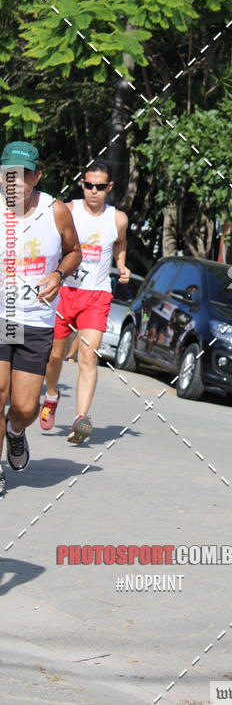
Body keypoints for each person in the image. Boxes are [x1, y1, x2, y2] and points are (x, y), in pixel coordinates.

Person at [0, 141, 81, 496]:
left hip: (36, 319)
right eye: (8, 174)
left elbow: (74, 251)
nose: (14, 182)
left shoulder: (55, 211)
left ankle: (16, 431)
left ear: (37, 177)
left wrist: (58, 275)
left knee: (24, 406)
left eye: (23, 175)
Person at [41, 160, 130, 444]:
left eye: (99, 187)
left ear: (109, 187)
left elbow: (120, 242)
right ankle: (52, 395)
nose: (93, 191)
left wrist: (122, 264)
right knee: (54, 356)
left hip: (97, 294)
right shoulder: (68, 210)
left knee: (88, 355)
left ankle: (81, 418)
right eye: (89, 185)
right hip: (65, 291)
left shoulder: (118, 219)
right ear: (82, 184)